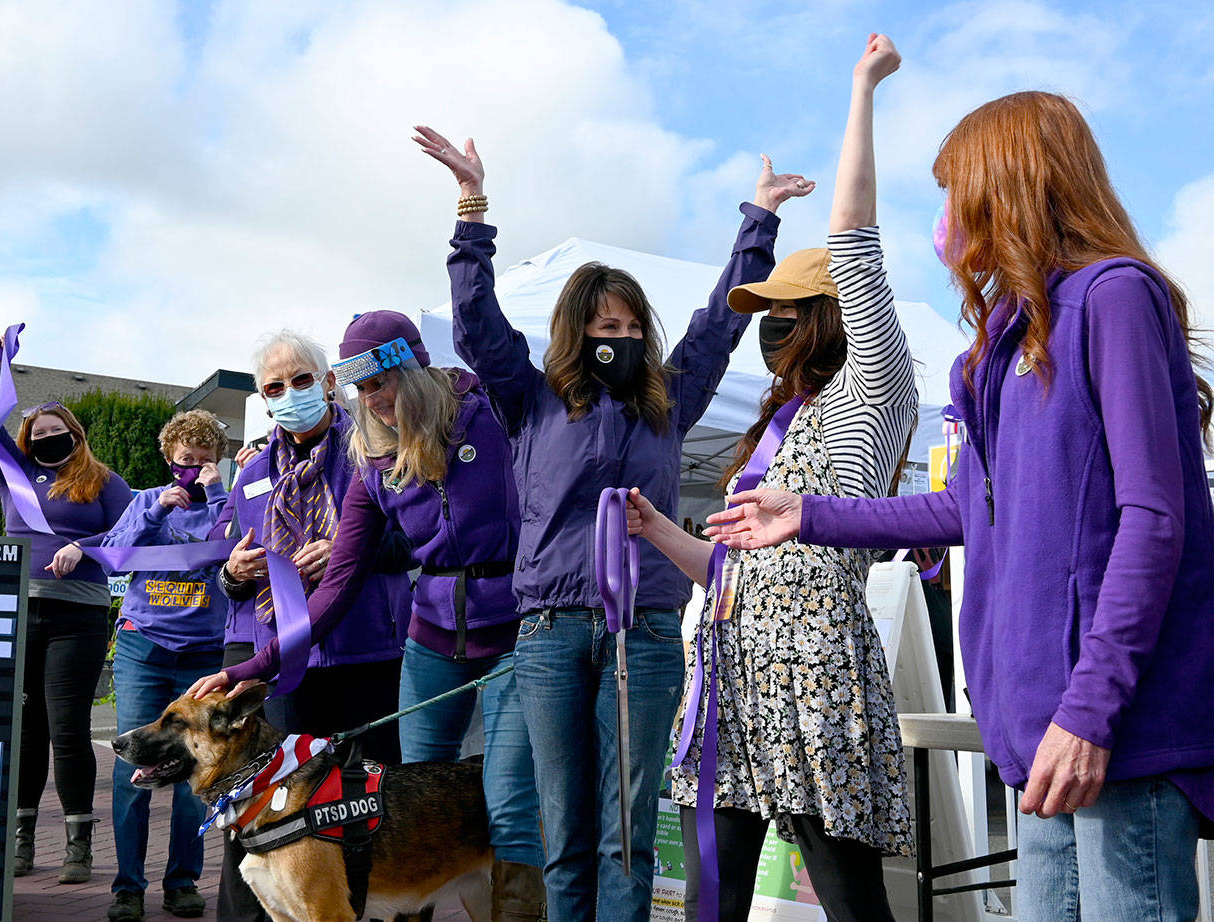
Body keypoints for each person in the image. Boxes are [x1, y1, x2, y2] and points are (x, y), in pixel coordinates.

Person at [702, 88, 1214, 922]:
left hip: (1114, 732)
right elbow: (958, 508)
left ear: (1007, 183)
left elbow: (1154, 519)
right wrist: (810, 514)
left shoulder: (1114, 297)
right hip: (1036, 736)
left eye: (952, 188)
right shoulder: (999, 346)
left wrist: (1090, 711)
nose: (944, 218)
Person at [416, 121, 805, 921]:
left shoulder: (669, 401)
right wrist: (471, 208)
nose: (616, 338)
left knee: (626, 832)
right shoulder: (530, 400)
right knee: (564, 830)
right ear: (575, 332)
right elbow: (475, 324)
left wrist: (758, 220)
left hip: (648, 634)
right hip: (551, 632)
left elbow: (719, 324)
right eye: (602, 327)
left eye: (628, 328)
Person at [625, 34, 914, 922]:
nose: (772, 326)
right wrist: (657, 530)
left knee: (849, 900)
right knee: (711, 894)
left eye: (787, 312)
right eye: (766, 313)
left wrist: (862, 90)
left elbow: (855, 241)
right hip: (731, 670)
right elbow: (735, 567)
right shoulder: (772, 427)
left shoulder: (873, 392)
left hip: (816, 673)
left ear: (834, 316)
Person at [199, 310, 547, 920]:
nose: (372, 400)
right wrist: (250, 667)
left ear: (411, 367)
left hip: (514, 632)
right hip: (430, 640)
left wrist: (470, 242)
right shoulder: (371, 456)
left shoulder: (492, 412)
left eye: (378, 382)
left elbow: (486, 332)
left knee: (509, 800)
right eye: (360, 388)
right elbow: (335, 588)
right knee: (409, 800)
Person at [192, 330, 413, 922]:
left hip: (367, 653)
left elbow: (415, 540)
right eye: (274, 387)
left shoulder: (378, 446)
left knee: (371, 803)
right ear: (263, 400)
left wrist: (350, 549)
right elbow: (230, 565)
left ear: (329, 381)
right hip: (284, 665)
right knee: (261, 808)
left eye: (300, 380)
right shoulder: (253, 471)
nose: (289, 394)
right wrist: (234, 573)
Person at [0, 339, 132, 883]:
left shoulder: (104, 481)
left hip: (79, 616)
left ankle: (78, 846)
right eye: (37, 434)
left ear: (76, 435)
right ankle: (22, 842)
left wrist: (85, 547)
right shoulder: (12, 477)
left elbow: (129, 534)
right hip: (21, 614)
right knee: (26, 730)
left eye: (56, 432)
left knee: (68, 729)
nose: (47, 439)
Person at [100, 410, 230, 922]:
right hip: (144, 648)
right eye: (184, 462)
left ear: (216, 462)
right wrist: (155, 511)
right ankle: (127, 887)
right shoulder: (142, 501)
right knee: (131, 763)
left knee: (198, 769)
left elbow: (246, 546)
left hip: (203, 654)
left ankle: (181, 882)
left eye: (204, 461)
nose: (193, 470)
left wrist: (219, 495)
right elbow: (112, 556)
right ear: (168, 460)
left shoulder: (229, 503)